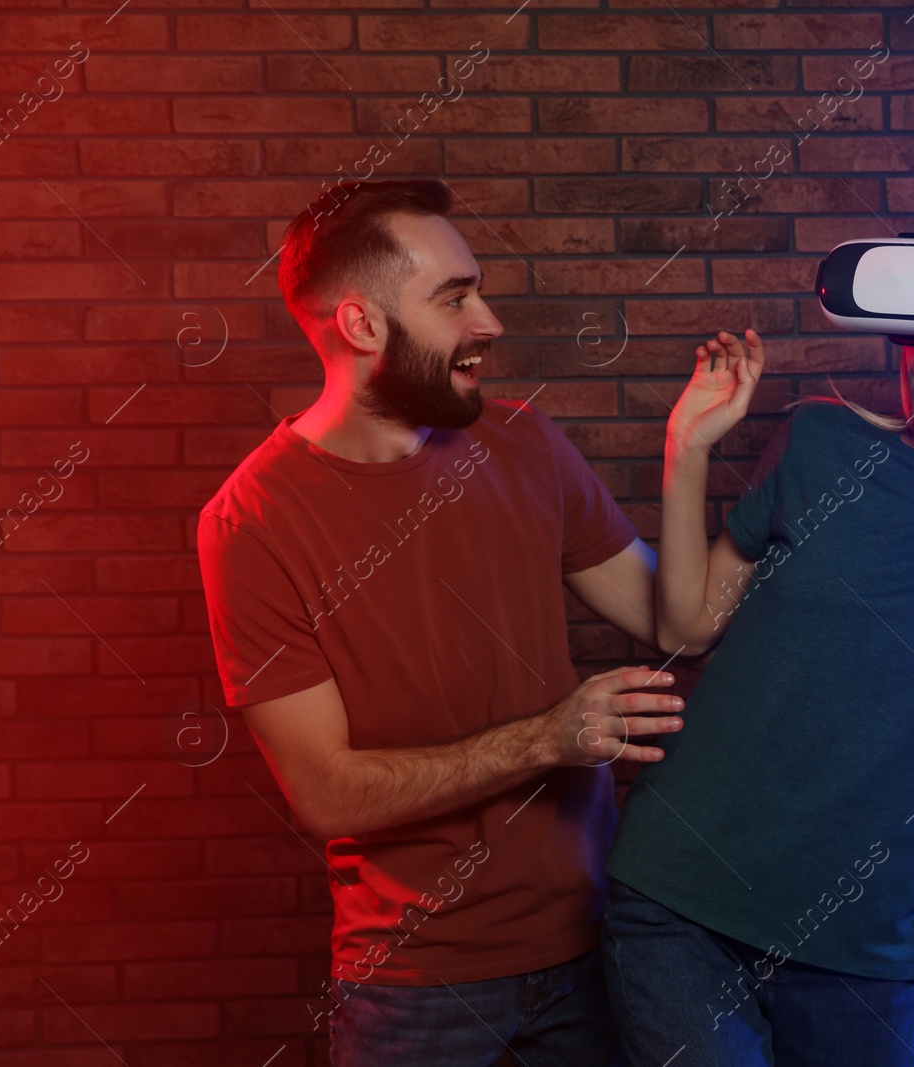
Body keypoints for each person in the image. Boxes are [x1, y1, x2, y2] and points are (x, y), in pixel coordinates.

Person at [197, 179, 682, 1066]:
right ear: (361, 326)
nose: (489, 323)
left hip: (595, 951)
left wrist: (691, 455)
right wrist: (548, 738)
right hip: (413, 992)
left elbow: (672, 620)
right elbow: (327, 792)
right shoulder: (250, 521)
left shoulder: (526, 443)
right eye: (454, 299)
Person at [600, 238, 914, 1065]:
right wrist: (685, 450)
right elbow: (685, 628)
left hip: (864, 948)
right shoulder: (820, 445)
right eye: (912, 332)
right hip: (681, 898)